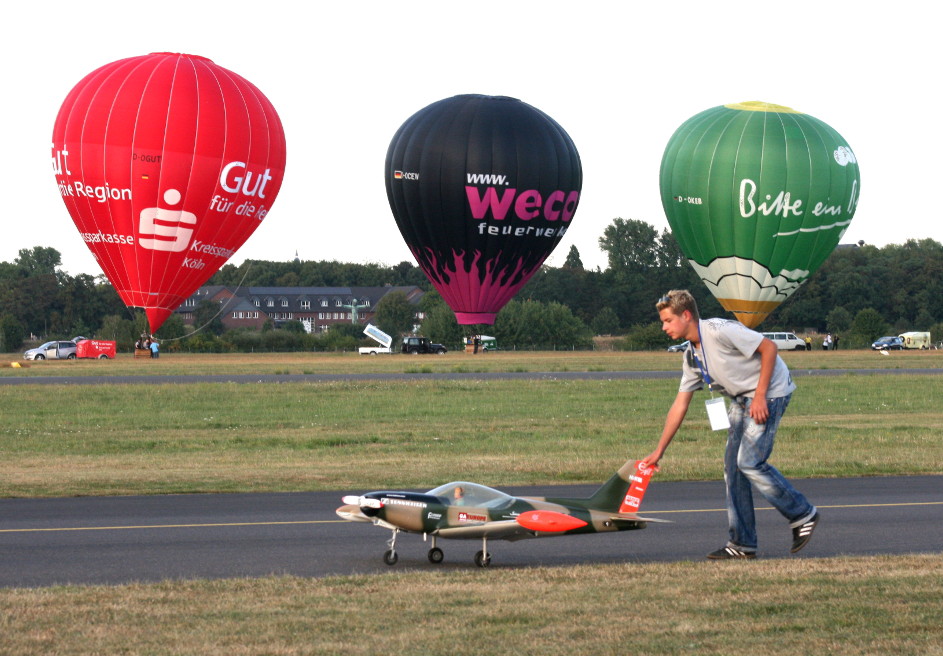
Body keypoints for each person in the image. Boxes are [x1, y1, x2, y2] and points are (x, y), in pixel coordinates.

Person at [642, 290, 818, 560]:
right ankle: (742, 544)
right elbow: (680, 405)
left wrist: (760, 396)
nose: (664, 327)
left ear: (685, 315)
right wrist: (659, 451)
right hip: (741, 399)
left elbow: (768, 347)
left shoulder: (719, 330)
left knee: (749, 462)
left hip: (770, 392)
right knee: (732, 469)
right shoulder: (691, 356)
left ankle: (803, 514)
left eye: (667, 320)